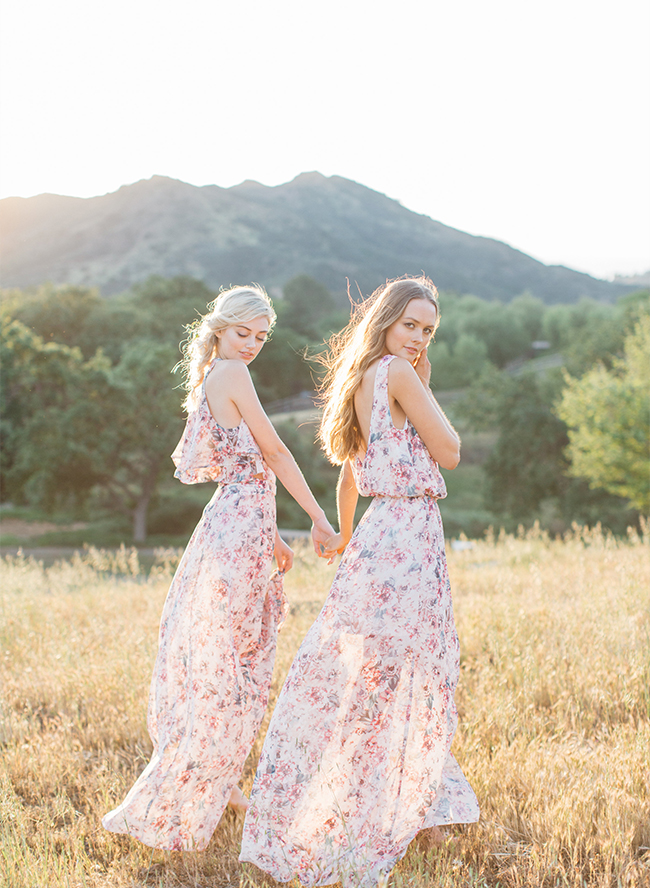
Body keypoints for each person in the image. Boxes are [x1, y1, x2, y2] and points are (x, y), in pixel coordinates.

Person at [240, 276, 479, 886]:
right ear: (386, 321)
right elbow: (449, 450)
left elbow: (351, 472)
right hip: (408, 536)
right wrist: (426, 383)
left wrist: (343, 534)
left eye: (429, 330)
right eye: (411, 326)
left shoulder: (360, 375)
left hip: (376, 535)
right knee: (408, 668)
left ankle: (377, 789)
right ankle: (379, 798)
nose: (420, 338)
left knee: (370, 669)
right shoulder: (398, 373)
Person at [102, 285, 335, 851]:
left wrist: (274, 532)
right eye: (243, 333)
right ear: (220, 329)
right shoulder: (230, 373)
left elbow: (247, 473)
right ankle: (198, 784)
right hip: (234, 532)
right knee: (229, 662)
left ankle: (221, 779)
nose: (252, 345)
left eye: (261, 336)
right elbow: (274, 454)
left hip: (239, 524)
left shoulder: (218, 373)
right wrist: (318, 519)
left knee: (236, 657)